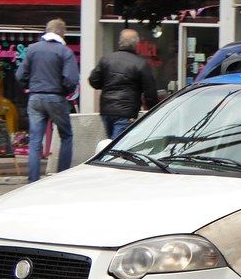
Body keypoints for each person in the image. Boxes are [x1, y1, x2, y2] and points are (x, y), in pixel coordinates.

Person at [16, 18, 79, 182]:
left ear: (47, 30)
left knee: (35, 141)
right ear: (62, 32)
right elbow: (71, 80)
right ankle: (61, 177)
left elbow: (19, 75)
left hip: (35, 97)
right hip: (56, 97)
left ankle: (33, 180)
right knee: (66, 135)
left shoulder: (32, 49)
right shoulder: (65, 52)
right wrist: (65, 92)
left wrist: (30, 86)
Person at [88, 28, 159, 139]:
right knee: (118, 146)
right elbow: (150, 93)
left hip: (107, 110)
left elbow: (94, 81)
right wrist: (154, 110)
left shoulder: (106, 60)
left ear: (120, 42)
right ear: (136, 44)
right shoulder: (140, 64)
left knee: (111, 144)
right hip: (127, 111)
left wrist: (107, 85)